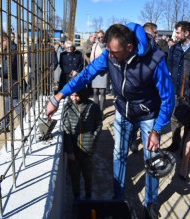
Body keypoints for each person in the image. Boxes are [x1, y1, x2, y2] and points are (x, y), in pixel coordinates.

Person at [47, 23, 175, 218]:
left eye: (114, 52)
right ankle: (119, 198)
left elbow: (168, 98)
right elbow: (87, 74)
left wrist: (157, 130)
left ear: (129, 48)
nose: (109, 55)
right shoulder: (109, 53)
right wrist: (58, 97)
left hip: (148, 113)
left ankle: (150, 204)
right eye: (108, 50)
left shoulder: (154, 61)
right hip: (123, 110)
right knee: (118, 154)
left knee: (152, 159)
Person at [63, 87, 102, 199]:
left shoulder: (93, 107)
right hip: (74, 152)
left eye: (77, 95)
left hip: (88, 150)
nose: (74, 98)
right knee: (74, 176)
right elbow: (67, 131)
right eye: (72, 95)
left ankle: (88, 196)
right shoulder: (68, 108)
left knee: (88, 176)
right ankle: (76, 198)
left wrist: (93, 138)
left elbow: (98, 124)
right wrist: (69, 151)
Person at [167, 21, 190, 153]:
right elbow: (169, 66)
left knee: (188, 122)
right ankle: (175, 143)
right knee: (174, 117)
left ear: (186, 33)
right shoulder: (173, 49)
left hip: (189, 92)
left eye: (177, 32)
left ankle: (185, 150)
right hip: (176, 91)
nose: (175, 35)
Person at [0, 32, 23, 132]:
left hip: (13, 83)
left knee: (16, 105)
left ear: (5, 40)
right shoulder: (8, 49)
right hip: (9, 83)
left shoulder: (12, 50)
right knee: (7, 105)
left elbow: (7, 70)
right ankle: (4, 125)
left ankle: (24, 125)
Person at [90, 30, 108, 114]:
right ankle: (96, 109)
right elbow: (92, 58)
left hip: (104, 71)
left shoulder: (107, 45)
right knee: (95, 91)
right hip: (96, 70)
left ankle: (101, 111)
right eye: (99, 37)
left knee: (103, 91)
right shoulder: (95, 45)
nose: (100, 38)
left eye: (102, 37)